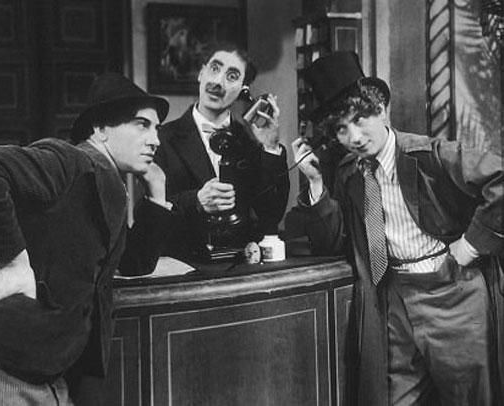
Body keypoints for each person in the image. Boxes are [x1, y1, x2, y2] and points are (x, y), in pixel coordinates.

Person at [286, 51, 504, 406]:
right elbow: (334, 240)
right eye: (341, 128)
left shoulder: (429, 155)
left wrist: (470, 245)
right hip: (392, 300)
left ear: (382, 109)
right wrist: (314, 183)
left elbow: (500, 180)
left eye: (360, 119)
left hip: (452, 293)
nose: (355, 136)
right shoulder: (349, 173)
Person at [0, 72, 174, 406]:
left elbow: (134, 263)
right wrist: (12, 263)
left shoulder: (108, 184)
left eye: (157, 128)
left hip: (42, 373)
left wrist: (157, 194)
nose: (155, 139)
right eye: (142, 125)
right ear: (100, 129)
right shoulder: (70, 161)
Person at [154, 42, 290, 260]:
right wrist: (196, 201)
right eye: (214, 69)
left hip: (241, 263)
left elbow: (271, 215)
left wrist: (271, 147)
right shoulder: (161, 138)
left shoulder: (251, 141)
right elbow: (149, 211)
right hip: (184, 264)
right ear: (201, 73)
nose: (217, 82)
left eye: (232, 76)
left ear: (244, 89)